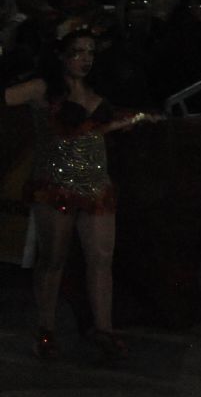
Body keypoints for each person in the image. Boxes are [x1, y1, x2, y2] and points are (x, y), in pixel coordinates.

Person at [4, 29, 156, 360]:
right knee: (53, 259)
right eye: (77, 52)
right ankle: (46, 329)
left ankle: (104, 329)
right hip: (55, 185)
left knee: (101, 259)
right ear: (61, 55)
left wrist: (130, 122)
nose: (85, 58)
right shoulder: (42, 88)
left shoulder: (97, 89)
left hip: (96, 185)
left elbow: (99, 128)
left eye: (90, 52)